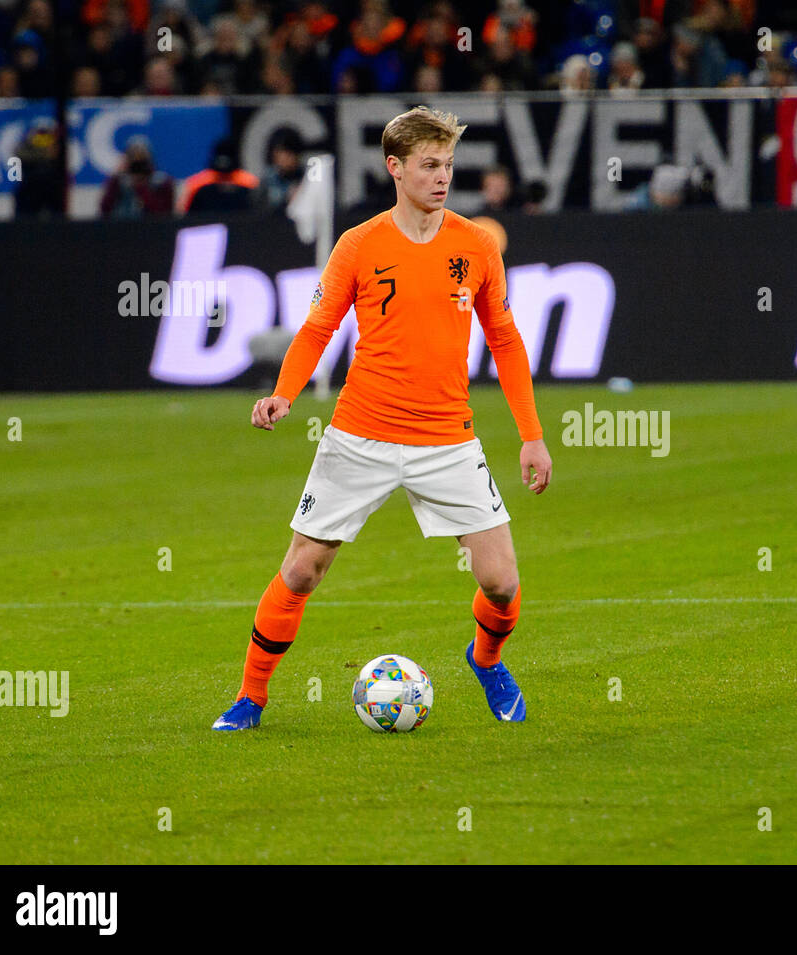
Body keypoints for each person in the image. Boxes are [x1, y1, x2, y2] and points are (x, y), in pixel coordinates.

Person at [214, 106, 552, 731]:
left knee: (501, 581)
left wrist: (532, 437)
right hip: (359, 433)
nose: (442, 177)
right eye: (429, 165)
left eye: (448, 165)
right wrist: (285, 393)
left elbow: (504, 339)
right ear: (395, 168)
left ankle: (485, 660)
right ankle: (250, 698)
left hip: (447, 437)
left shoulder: (475, 245)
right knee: (300, 569)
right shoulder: (360, 245)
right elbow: (319, 326)